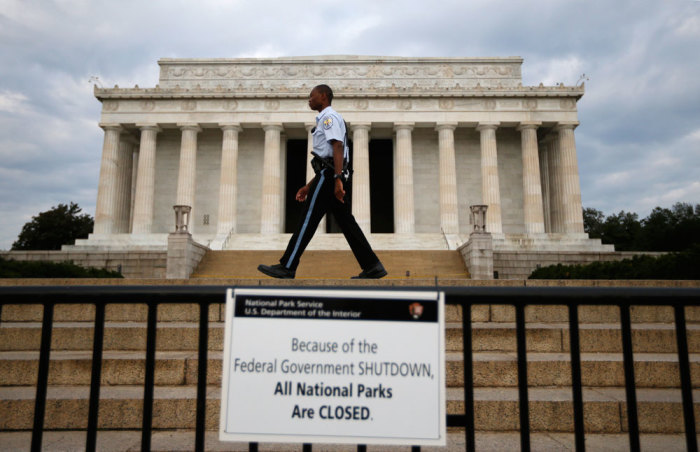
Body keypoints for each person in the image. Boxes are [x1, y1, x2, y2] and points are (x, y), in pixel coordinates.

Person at [257, 84, 387, 279]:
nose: (309, 99)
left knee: (308, 219)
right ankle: (372, 266)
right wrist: (309, 186)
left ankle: (288, 265)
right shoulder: (327, 118)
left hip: (330, 176)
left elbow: (337, 147)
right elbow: (326, 157)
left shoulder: (328, 117)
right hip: (328, 175)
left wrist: (336, 180)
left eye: (312, 96)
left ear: (324, 97)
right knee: (347, 224)